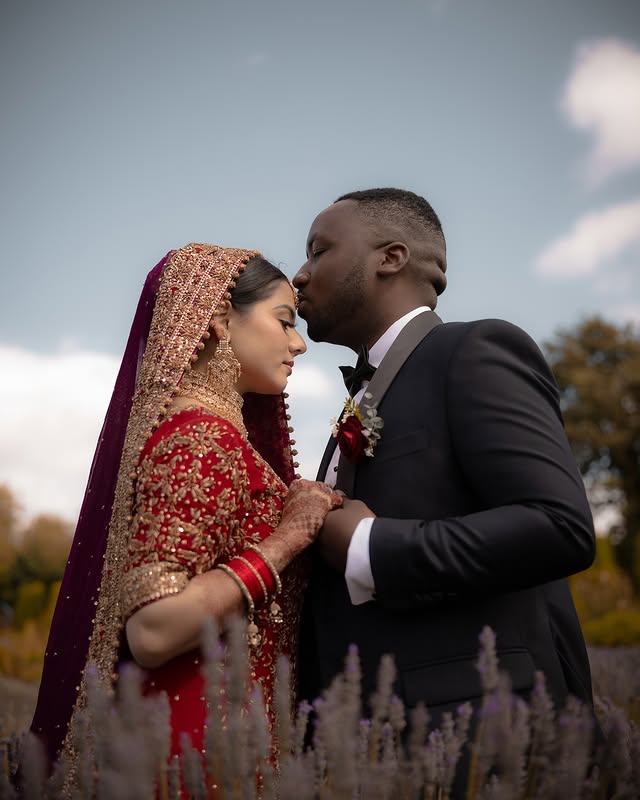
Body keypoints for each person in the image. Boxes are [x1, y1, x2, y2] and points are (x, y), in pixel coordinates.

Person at [30, 243, 340, 777]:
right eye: (284, 321)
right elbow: (153, 630)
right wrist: (289, 538)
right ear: (220, 318)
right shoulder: (201, 439)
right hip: (194, 751)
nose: (298, 343)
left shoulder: (211, 436)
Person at [293, 188, 596, 730]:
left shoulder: (475, 351)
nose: (300, 275)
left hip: (482, 734)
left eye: (318, 251)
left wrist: (370, 547)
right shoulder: (364, 393)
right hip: (365, 739)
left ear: (391, 258)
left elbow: (559, 525)